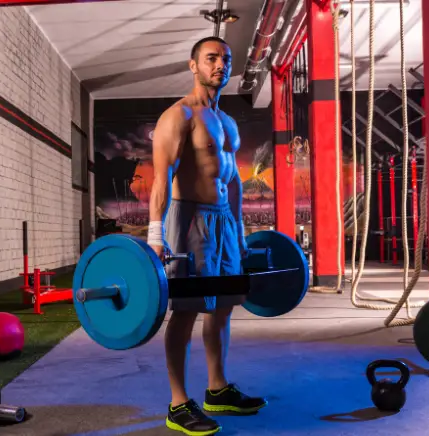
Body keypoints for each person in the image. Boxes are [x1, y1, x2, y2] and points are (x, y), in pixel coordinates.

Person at [147, 36, 268, 435]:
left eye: (225, 59)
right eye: (211, 58)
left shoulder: (228, 122)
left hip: (224, 222)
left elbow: (232, 181)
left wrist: (240, 229)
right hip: (189, 219)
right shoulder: (177, 117)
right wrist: (155, 235)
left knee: (225, 305)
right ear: (193, 65)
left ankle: (217, 388)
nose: (220, 65)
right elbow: (161, 181)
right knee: (185, 310)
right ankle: (178, 402)